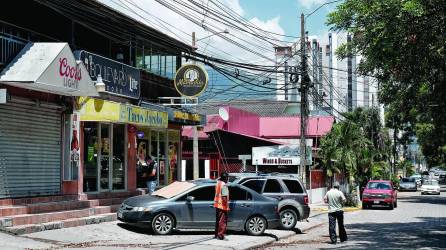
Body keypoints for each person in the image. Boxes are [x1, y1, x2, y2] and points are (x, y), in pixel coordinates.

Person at [214, 172, 230, 240]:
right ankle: (220, 235)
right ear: (226, 178)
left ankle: (216, 234)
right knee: (222, 222)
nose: (228, 179)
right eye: (227, 178)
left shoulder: (218, 183)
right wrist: (227, 206)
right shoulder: (224, 185)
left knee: (218, 221)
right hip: (222, 206)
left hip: (217, 204)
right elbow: (224, 197)